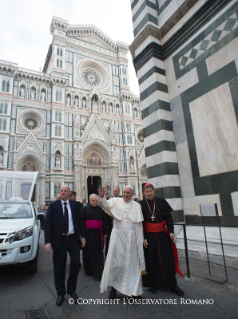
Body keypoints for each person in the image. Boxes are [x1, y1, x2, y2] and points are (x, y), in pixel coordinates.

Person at [98, 185, 145, 299]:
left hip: (132, 239)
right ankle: (114, 288)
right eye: (124, 192)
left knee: (132, 265)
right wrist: (101, 196)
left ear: (132, 194)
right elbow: (105, 205)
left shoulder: (137, 206)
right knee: (117, 263)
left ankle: (134, 291)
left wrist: (141, 239)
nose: (125, 194)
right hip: (118, 237)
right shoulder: (115, 201)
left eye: (128, 193)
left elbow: (139, 225)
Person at [139, 183, 184, 296]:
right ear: (144, 193)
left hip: (162, 235)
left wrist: (171, 231)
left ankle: (173, 285)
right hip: (148, 237)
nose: (149, 193)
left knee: (167, 259)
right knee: (151, 261)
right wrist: (143, 237)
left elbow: (168, 219)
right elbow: (140, 223)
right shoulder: (140, 204)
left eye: (151, 191)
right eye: (147, 191)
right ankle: (152, 284)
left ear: (154, 191)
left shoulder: (162, 202)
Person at [44, 186, 86, 306]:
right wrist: (47, 242)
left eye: (65, 191)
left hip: (73, 239)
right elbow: (47, 224)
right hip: (59, 240)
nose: (62, 192)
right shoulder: (53, 205)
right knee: (59, 267)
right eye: (61, 191)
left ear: (69, 193)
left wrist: (82, 236)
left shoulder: (75, 205)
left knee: (76, 263)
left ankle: (71, 290)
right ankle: (60, 293)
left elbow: (79, 221)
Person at [82, 194, 107, 280]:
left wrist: (105, 233)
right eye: (94, 200)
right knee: (87, 252)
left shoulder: (101, 210)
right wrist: (82, 235)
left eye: (96, 200)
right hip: (87, 233)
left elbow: (104, 222)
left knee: (98, 252)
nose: (95, 202)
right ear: (90, 201)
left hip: (97, 234)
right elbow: (81, 222)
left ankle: (98, 272)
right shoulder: (84, 209)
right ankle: (89, 270)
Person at [105, 186, 121, 256]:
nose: (116, 192)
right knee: (110, 240)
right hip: (110, 224)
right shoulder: (109, 200)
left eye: (117, 191)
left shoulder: (122, 199)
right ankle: (108, 255)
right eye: (115, 191)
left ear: (119, 191)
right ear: (112, 192)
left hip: (120, 223)